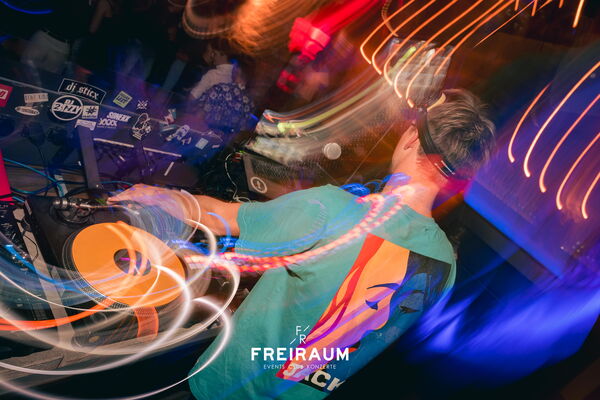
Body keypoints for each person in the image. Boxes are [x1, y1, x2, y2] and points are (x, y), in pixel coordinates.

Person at [108, 88, 495, 399]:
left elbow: (216, 216)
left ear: (411, 137)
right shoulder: (446, 264)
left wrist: (157, 196)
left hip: (226, 389)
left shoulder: (332, 209)